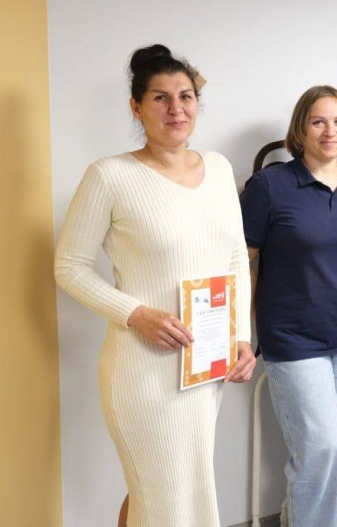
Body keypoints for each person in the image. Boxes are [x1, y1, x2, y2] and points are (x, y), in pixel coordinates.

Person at [54, 45, 256, 527]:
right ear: (136, 107)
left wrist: (241, 336)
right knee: (162, 497)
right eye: (160, 98)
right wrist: (136, 314)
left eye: (185, 96)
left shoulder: (219, 169)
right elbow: (70, 267)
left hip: (203, 366)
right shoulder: (110, 176)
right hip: (142, 369)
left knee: (174, 493)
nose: (176, 109)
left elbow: (234, 257)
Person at [240, 85, 337, 527]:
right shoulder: (270, 185)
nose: (329, 131)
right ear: (300, 128)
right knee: (321, 447)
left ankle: (298, 517)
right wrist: (244, 327)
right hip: (294, 338)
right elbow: (243, 261)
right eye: (318, 121)